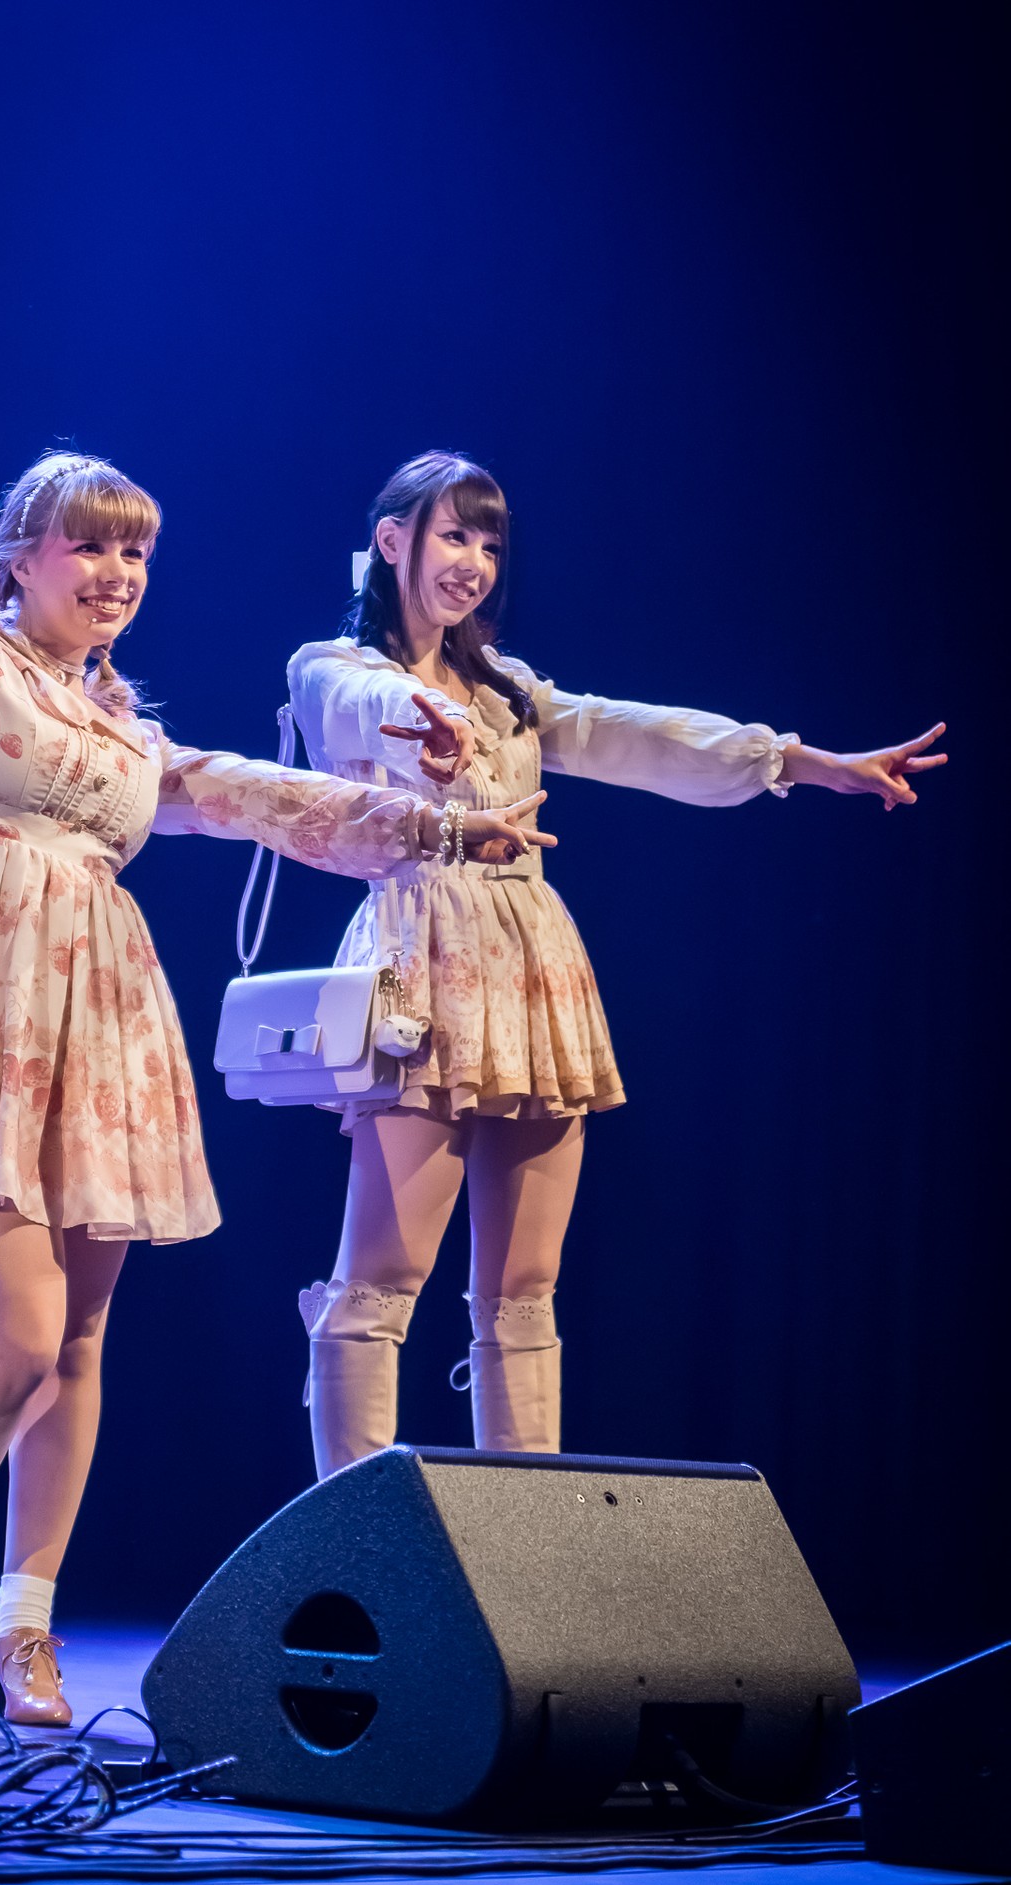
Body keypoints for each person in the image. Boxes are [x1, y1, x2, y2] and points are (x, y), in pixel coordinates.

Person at [0, 373, 552, 1729]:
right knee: (19, 1336)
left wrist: (442, 828)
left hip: (96, 1016)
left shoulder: (122, 732)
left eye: (136, 555)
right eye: (90, 547)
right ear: (26, 560)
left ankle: (25, 1622)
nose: (116, 575)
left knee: (80, 1339)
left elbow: (254, 795)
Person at [288, 450, 947, 1479]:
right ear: (390, 540)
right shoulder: (331, 667)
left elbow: (629, 733)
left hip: (530, 965)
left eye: (488, 544)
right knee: (380, 1274)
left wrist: (800, 762)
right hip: (420, 955)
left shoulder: (506, 689)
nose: (472, 562)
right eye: (452, 535)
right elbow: (354, 704)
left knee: (524, 1286)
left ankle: (522, 1538)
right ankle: (350, 1529)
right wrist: (427, 727)